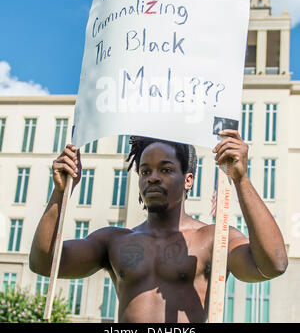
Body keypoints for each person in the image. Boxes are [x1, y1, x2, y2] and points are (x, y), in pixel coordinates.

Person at [29, 130, 288, 323]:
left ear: (188, 180)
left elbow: (273, 264)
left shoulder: (214, 238)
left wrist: (241, 179)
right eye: (144, 172)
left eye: (165, 170)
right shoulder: (113, 240)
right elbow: (44, 263)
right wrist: (60, 194)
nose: (152, 177)